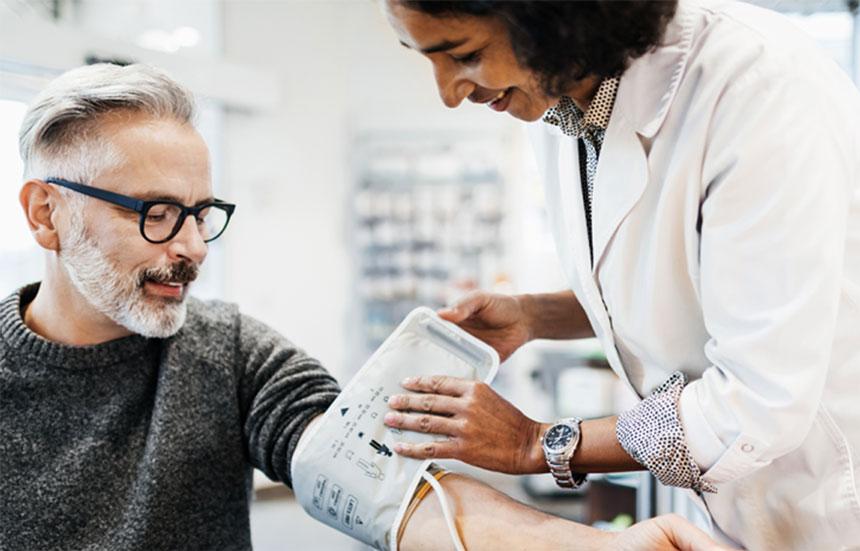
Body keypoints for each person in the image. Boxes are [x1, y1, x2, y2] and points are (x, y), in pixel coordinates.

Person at [0, 62, 724, 551]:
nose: (192, 246)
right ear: (46, 214)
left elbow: (387, 491)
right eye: (157, 212)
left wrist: (599, 546)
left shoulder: (226, 351)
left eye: (201, 212)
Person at [381, 1, 860, 549]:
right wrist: (535, 316)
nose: (448, 92)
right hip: (738, 508)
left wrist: (538, 443)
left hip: (835, 506)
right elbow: (678, 282)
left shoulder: (759, 90)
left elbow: (756, 403)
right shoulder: (560, 102)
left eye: (465, 54)